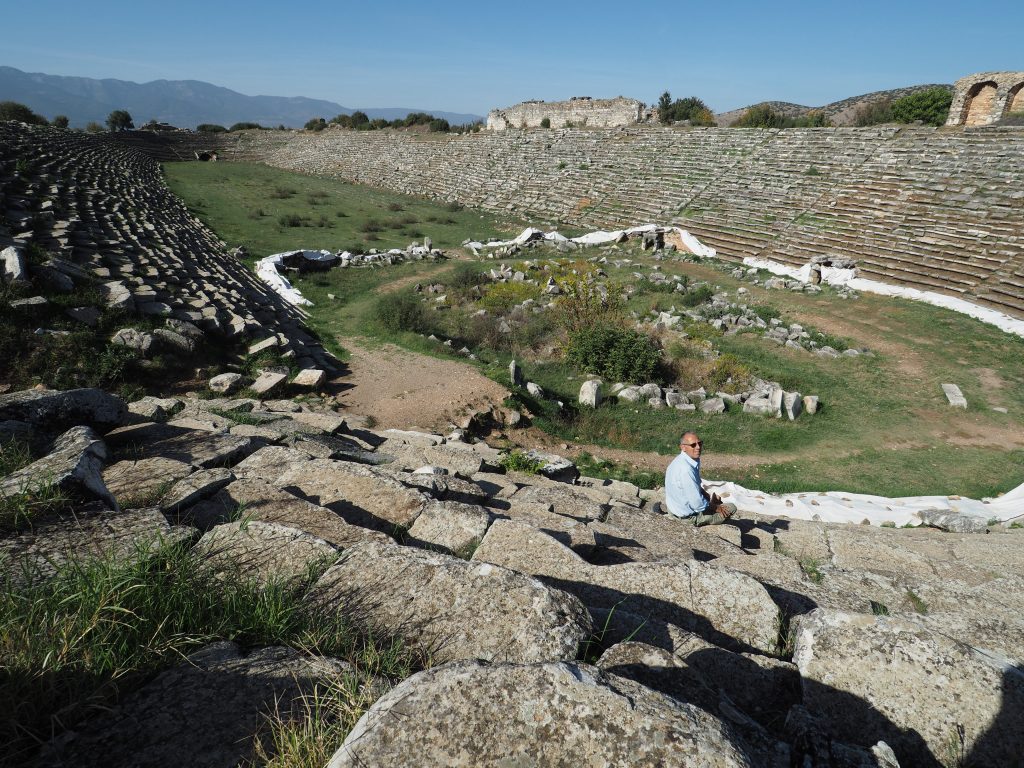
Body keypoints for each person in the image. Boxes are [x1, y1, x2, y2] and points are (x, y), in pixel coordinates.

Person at [664, 431, 737, 526]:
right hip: (687, 517)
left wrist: (704, 493)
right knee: (732, 507)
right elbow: (697, 504)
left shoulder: (682, 460)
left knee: (709, 498)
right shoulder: (686, 470)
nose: (698, 447)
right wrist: (717, 508)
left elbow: (693, 486)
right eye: (693, 445)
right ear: (683, 447)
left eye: (700, 443)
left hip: (675, 508)